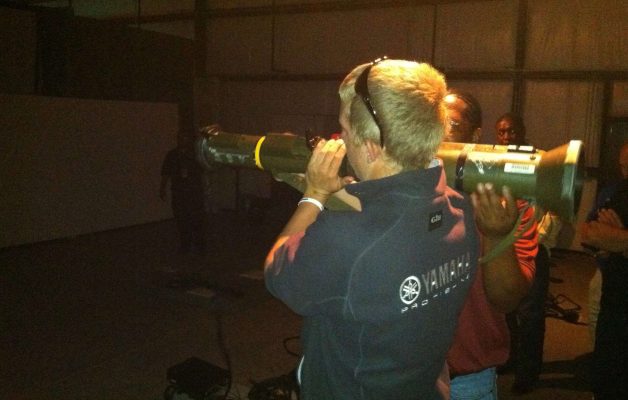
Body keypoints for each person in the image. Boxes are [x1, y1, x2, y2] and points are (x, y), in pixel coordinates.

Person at [264, 60, 518, 399]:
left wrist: (314, 195)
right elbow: (395, 218)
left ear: (371, 146)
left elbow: (278, 272)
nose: (340, 140)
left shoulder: (346, 237)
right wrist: (341, 191)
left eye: (344, 130)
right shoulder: (460, 211)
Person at [443, 93, 538, 399]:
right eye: (430, 123)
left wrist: (497, 235)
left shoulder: (510, 201)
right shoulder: (411, 189)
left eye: (451, 124)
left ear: (475, 136)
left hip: (465, 381)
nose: (438, 132)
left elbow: (507, 299)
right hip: (404, 374)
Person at [493, 112, 553, 394]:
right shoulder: (494, 161)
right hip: (504, 246)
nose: (507, 137)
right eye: (502, 132)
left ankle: (528, 372)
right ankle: (511, 357)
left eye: (512, 131)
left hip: (532, 246)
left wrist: (540, 237)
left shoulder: (540, 161)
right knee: (506, 308)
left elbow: (555, 203)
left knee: (530, 314)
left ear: (523, 130)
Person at [581, 142, 628, 400]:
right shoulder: (615, 191)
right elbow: (589, 233)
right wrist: (610, 243)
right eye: (623, 165)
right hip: (613, 289)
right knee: (607, 350)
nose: (625, 171)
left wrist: (618, 239)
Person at [160, 136, 207, 255]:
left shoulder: (195, 155)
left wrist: (205, 188)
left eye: (185, 138)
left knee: (196, 219)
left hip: (194, 192)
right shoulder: (172, 155)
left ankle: (199, 244)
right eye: (181, 138)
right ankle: (185, 244)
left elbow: (203, 172)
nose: (183, 141)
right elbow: (165, 172)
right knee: (181, 219)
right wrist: (162, 188)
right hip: (179, 192)